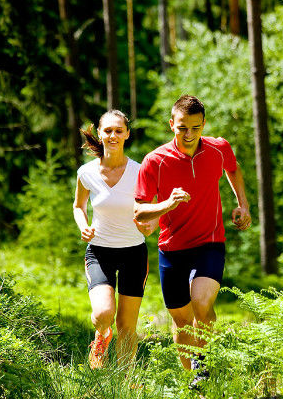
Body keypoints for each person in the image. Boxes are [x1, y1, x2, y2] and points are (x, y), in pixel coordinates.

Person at [133, 95, 251, 385]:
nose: (188, 135)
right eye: (182, 128)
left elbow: (232, 168)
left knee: (200, 302)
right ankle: (194, 383)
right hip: (171, 249)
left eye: (195, 128)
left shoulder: (218, 148)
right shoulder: (154, 161)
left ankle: (204, 366)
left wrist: (242, 204)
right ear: (171, 123)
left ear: (203, 124)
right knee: (182, 323)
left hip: (209, 241)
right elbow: (139, 210)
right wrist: (166, 205)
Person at [73, 110, 157, 369]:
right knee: (103, 314)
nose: (113, 135)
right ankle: (101, 335)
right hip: (100, 253)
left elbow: (153, 209)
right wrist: (83, 226)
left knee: (127, 325)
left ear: (127, 134)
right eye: (107, 130)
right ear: (99, 133)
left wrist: (150, 226)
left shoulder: (140, 171)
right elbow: (78, 206)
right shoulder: (87, 173)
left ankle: (122, 381)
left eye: (118, 131)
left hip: (134, 253)